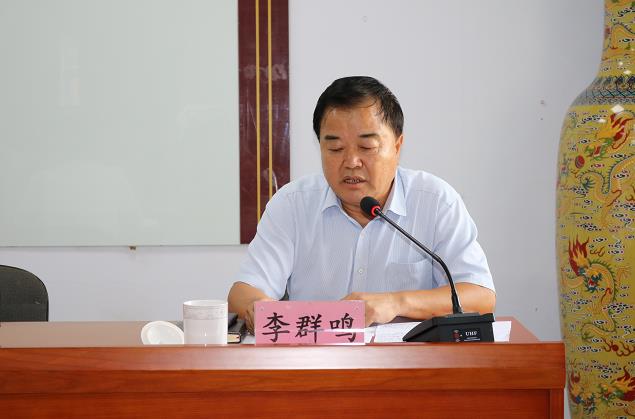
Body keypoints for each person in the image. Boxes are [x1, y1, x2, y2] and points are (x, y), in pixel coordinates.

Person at [228, 76, 495, 332]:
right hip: (317, 359)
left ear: (397, 146)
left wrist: (396, 302)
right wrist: (259, 308)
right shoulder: (292, 205)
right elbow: (243, 292)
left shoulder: (435, 202)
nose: (351, 162)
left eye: (366, 147)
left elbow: (480, 295)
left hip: (408, 360)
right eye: (335, 149)